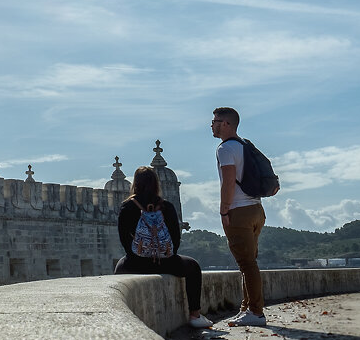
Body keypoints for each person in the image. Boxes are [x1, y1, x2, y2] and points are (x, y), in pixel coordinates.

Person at [115, 165, 213, 328]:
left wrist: (137, 256)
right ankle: (195, 315)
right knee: (193, 266)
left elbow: (124, 240)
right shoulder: (166, 206)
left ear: (135, 184)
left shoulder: (127, 207)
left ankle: (123, 319)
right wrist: (164, 257)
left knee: (118, 270)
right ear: (156, 184)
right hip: (166, 263)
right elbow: (175, 239)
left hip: (135, 264)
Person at [212, 107, 277, 327]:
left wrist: (224, 210)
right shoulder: (244, 145)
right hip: (257, 209)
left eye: (216, 121)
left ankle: (256, 313)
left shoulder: (225, 149)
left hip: (239, 211)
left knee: (247, 263)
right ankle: (246, 308)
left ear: (227, 124)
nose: (212, 124)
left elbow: (228, 182)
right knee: (248, 262)